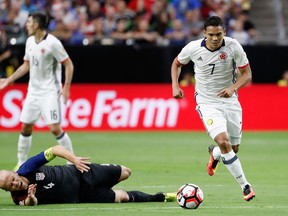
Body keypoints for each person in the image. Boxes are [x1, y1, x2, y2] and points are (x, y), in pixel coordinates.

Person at [170, 16, 255, 201]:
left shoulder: (233, 46)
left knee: (233, 148)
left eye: (218, 34)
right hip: (207, 102)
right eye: (211, 35)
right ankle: (245, 186)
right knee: (224, 142)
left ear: (224, 32)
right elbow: (177, 63)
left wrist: (232, 88)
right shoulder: (193, 48)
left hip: (230, 101)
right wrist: (175, 86)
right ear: (204, 34)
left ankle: (214, 153)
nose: (215, 38)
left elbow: (247, 74)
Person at [0, 12, 74, 170]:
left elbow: (68, 64)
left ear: (37, 25)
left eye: (29, 22)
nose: (26, 25)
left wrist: (66, 87)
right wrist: (9, 79)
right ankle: (20, 163)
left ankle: (71, 161)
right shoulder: (29, 41)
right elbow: (26, 65)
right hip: (33, 92)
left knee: (55, 128)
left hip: (49, 92)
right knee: (25, 126)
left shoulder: (53, 43)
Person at [0, 145, 176, 206]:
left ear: (15, 173)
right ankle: (161, 197)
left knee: (126, 172)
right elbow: (31, 204)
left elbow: (54, 150)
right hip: (81, 196)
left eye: (13, 180)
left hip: (80, 172)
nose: (15, 184)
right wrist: (31, 196)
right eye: (10, 186)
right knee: (122, 197)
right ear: (7, 190)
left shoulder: (27, 167)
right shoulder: (19, 197)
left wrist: (74, 159)